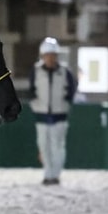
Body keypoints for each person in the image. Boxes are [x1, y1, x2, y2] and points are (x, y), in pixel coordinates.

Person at [29, 37, 77, 185]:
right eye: (48, 55)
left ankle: (55, 174)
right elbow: (31, 90)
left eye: (53, 54)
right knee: (43, 145)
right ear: (43, 56)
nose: (50, 58)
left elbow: (72, 89)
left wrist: (66, 102)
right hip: (41, 114)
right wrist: (35, 104)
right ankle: (47, 173)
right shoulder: (36, 71)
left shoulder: (64, 72)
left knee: (58, 146)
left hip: (59, 113)